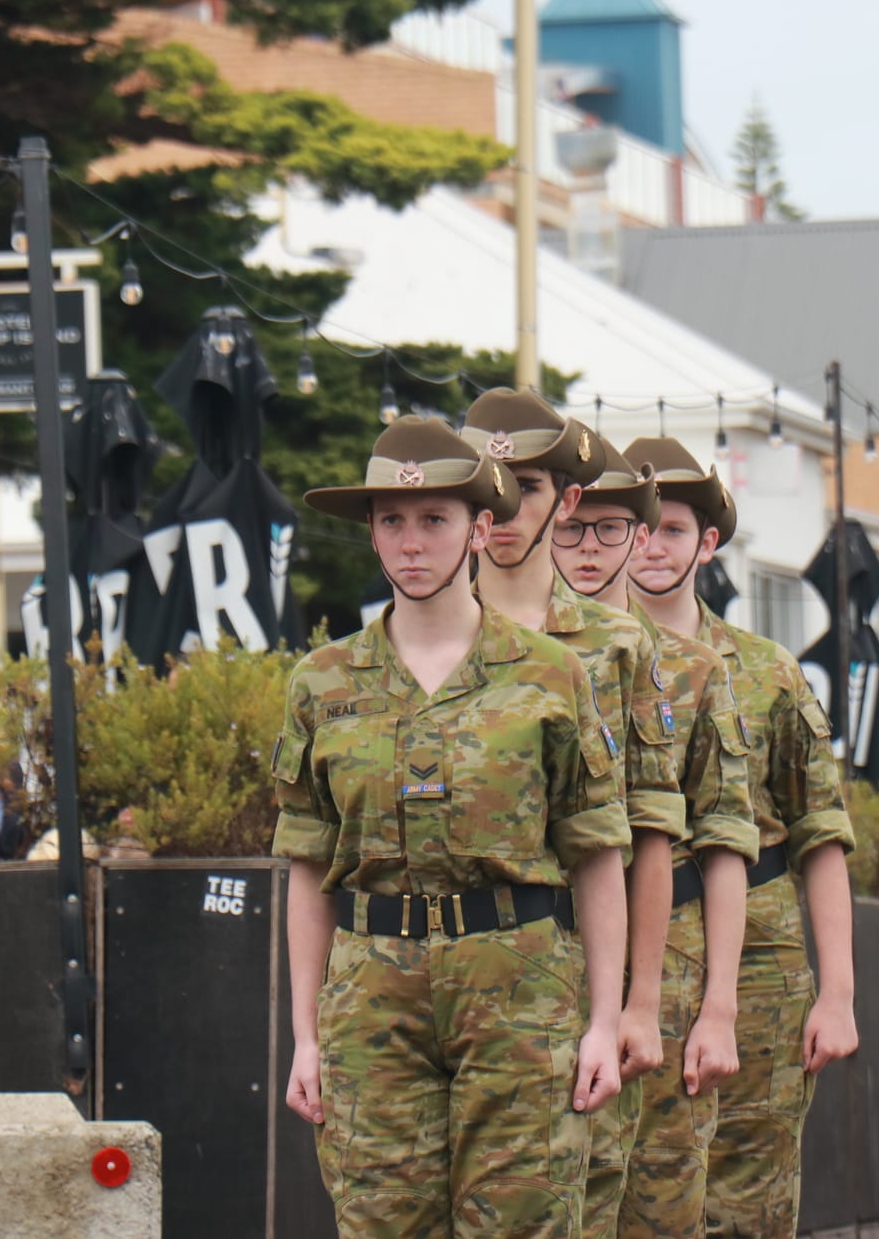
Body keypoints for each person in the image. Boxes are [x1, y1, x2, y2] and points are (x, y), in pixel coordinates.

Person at [274, 418, 631, 1238]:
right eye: (392, 521)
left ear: (478, 528)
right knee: (380, 1222)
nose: (411, 542)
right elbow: (304, 865)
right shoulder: (321, 682)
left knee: (525, 1220)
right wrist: (304, 1034)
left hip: (520, 984)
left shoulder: (549, 673)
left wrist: (604, 1023)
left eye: (434, 519)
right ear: (369, 531)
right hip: (370, 997)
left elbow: (598, 852)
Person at [456, 390, 683, 1235]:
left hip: (570, 966)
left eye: (529, 484)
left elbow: (646, 834)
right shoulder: (423, 639)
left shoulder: (617, 646)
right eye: (491, 481)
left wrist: (638, 1001)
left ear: (569, 499)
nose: (506, 504)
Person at [622, 437, 861, 1239]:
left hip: (757, 962)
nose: (652, 545)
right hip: (625, 951)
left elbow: (819, 838)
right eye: (639, 525)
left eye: (673, 529)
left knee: (746, 1198)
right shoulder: (568, 665)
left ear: (709, 543)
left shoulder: (767, 674)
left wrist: (838, 993)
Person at [551, 438, 758, 1237]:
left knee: (658, 1207)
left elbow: (725, 846)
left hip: (660, 978)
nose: (594, 549)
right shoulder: (500, 663)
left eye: (617, 530)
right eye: (576, 529)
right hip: (532, 974)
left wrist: (717, 1009)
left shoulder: (692, 672)